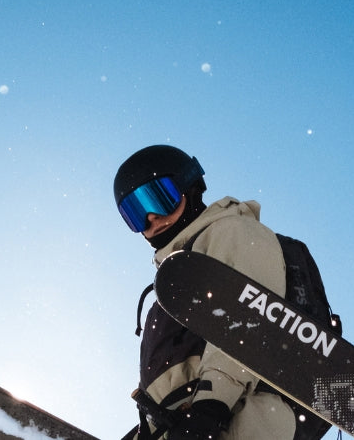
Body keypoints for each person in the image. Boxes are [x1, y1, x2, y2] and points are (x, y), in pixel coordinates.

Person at [114, 145, 306, 440]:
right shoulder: (166, 288)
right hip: (182, 425)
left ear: (188, 186)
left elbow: (249, 321)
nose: (151, 218)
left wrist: (210, 406)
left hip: (234, 421)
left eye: (158, 198)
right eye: (136, 213)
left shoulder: (233, 232)